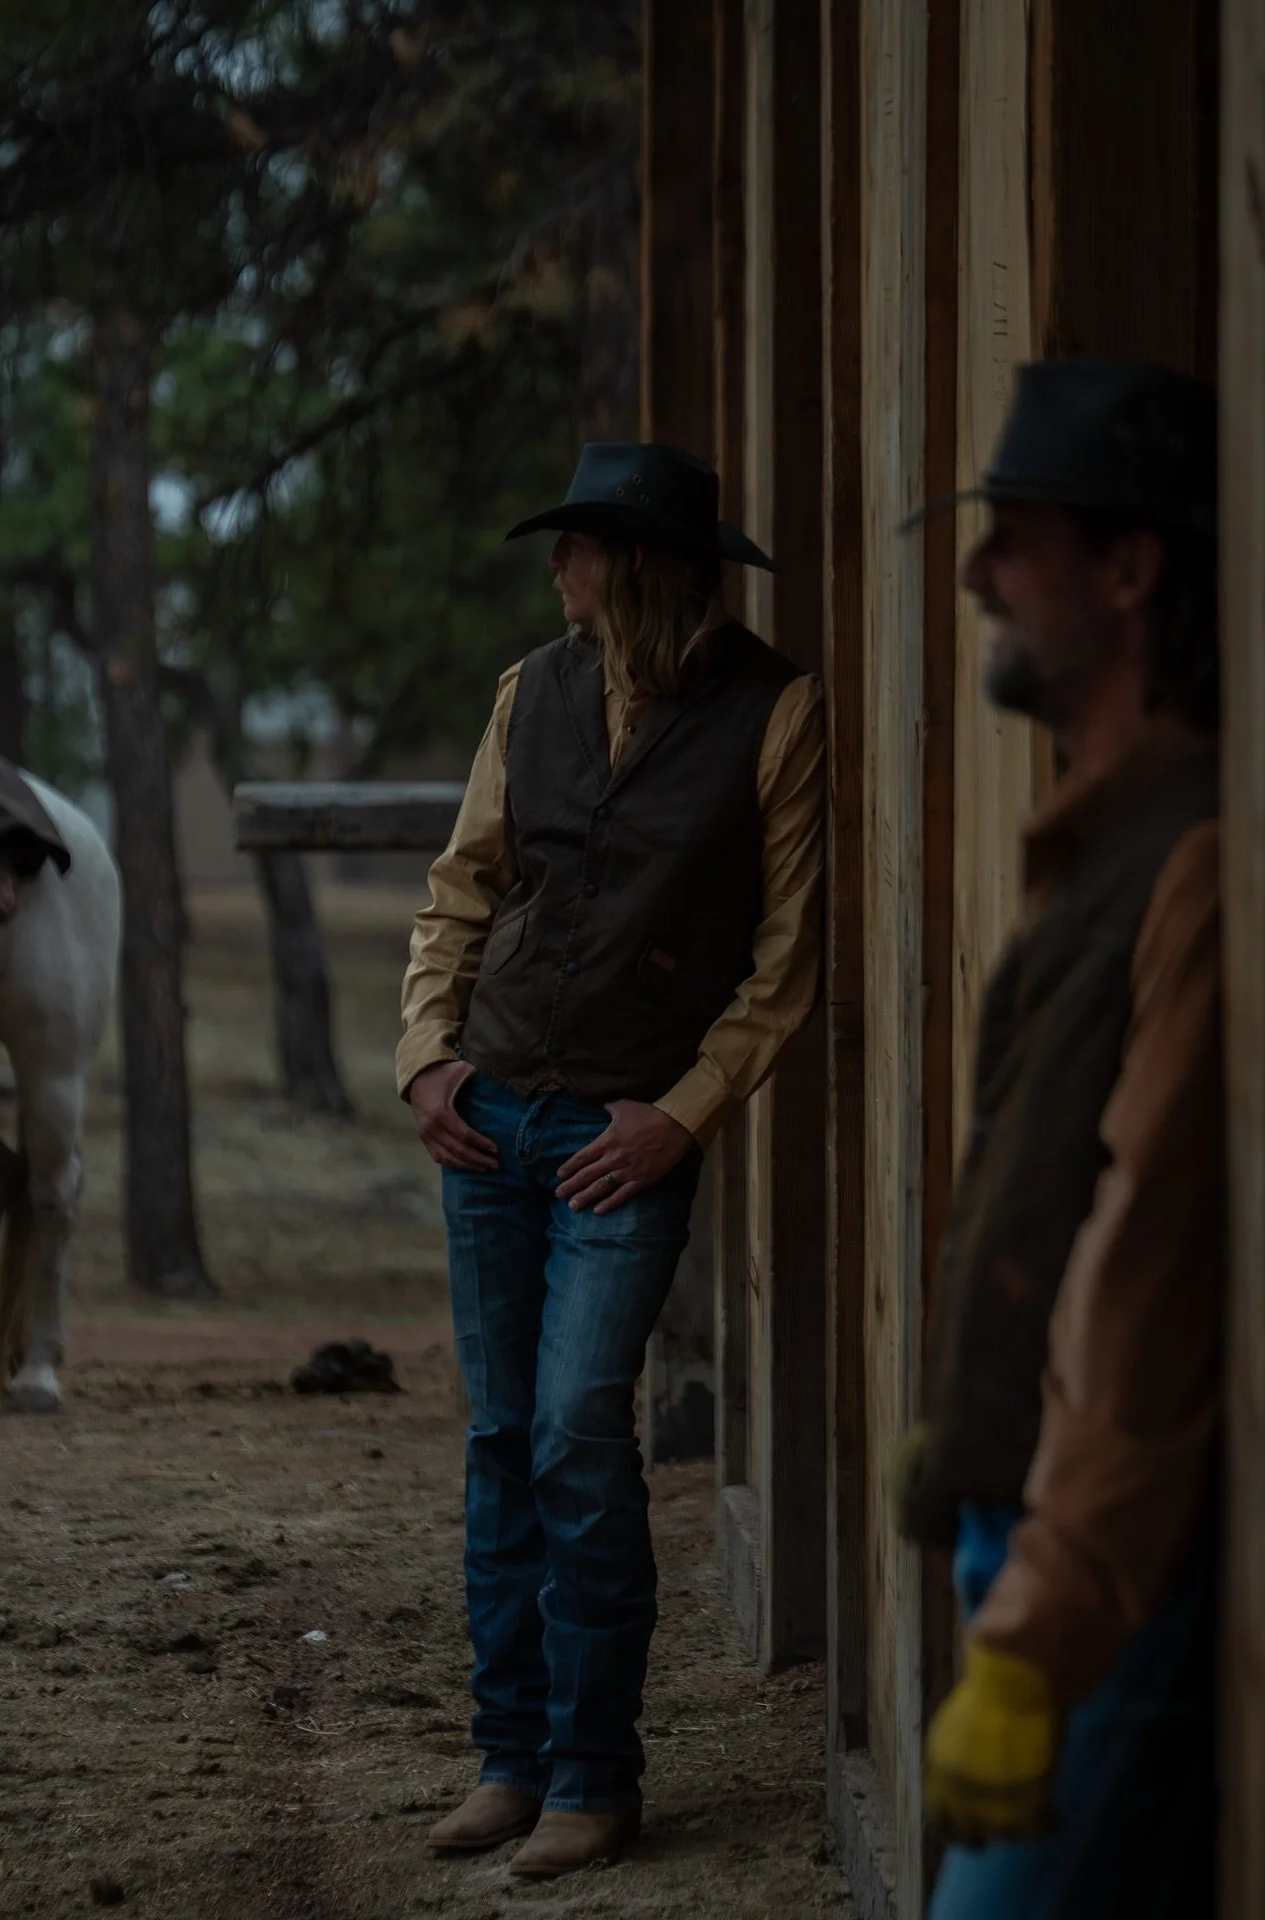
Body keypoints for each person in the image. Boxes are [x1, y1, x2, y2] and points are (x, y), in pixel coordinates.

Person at [398, 442, 824, 1880]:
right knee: (503, 1438)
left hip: (621, 1142)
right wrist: (424, 1057)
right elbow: (462, 890)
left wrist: (682, 1113)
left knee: (582, 1431)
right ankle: (510, 1761)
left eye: (576, 546)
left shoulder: (776, 715)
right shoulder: (534, 692)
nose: (555, 569)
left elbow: (783, 966)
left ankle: (596, 1773)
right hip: (489, 1113)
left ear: (637, 566)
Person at [890, 359, 1223, 1918]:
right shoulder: (1109, 838)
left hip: (1099, 1591)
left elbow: (1149, 1267)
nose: (973, 576)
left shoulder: (1197, 860)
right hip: (1029, 1542)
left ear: (1130, 568)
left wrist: (1039, 1634)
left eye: (1010, 539)